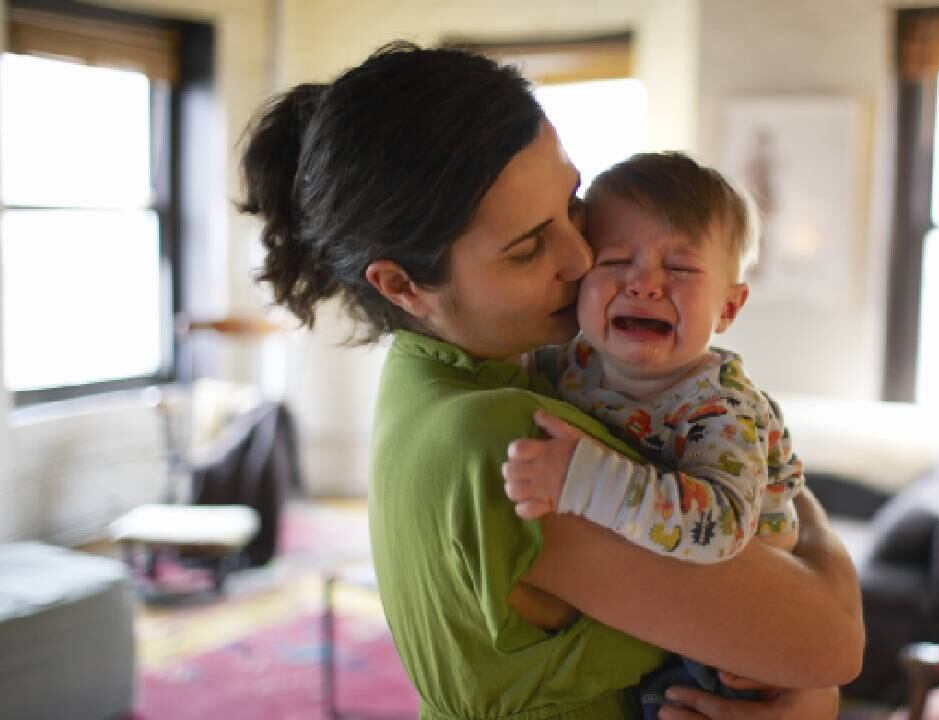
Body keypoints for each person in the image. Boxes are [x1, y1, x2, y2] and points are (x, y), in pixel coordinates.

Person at [239, 42, 863, 720]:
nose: (582, 257)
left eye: (573, 205)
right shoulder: (514, 442)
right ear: (402, 285)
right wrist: (813, 534)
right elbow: (831, 642)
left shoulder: (462, 377)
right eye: (529, 247)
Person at [499, 152, 806, 716]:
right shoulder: (568, 362)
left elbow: (721, 527)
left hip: (731, 624)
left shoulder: (721, 408)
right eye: (615, 260)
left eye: (682, 269)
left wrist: (582, 478)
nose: (643, 283)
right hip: (638, 595)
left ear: (729, 306)